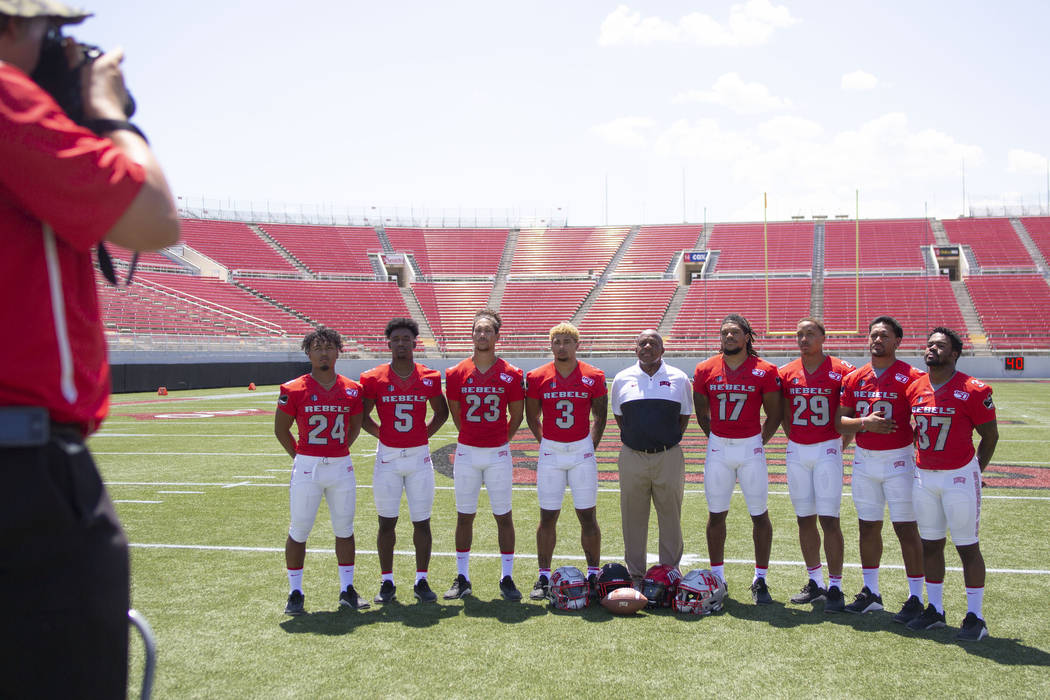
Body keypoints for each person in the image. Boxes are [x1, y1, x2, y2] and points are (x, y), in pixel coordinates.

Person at [0, 3, 179, 697]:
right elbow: (153, 219)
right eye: (53, 32)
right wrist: (109, 114)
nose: (66, 49)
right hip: (23, 471)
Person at [905, 327, 998, 641]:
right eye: (929, 343)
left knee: (967, 546)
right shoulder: (915, 386)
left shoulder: (972, 389)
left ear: (955, 354)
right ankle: (936, 609)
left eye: (940, 345)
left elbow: (990, 436)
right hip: (923, 476)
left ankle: (975, 616)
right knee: (930, 544)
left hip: (958, 474)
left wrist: (974, 470)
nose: (932, 348)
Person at [835, 316, 926, 622]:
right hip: (864, 459)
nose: (877, 340)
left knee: (905, 528)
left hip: (899, 459)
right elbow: (839, 422)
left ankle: (916, 596)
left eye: (884, 336)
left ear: (897, 341)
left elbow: (926, 417)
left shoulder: (913, 376)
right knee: (867, 525)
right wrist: (865, 423)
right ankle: (871, 591)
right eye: (873, 335)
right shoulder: (855, 377)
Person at [693, 314, 782, 604]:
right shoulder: (706, 368)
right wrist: (717, 438)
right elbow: (702, 411)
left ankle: (761, 578)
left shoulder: (765, 369)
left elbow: (775, 413)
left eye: (734, 332)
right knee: (716, 513)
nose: (728, 337)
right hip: (719, 448)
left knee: (759, 513)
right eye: (724, 333)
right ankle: (717, 576)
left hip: (750, 449)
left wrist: (757, 441)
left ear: (747, 337)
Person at [275, 327, 365, 615]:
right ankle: (295, 592)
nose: (324, 353)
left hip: (340, 465)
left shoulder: (352, 388)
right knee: (299, 530)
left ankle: (347, 589)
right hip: (308, 466)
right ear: (308, 353)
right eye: (317, 348)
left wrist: (334, 452)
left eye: (329, 347)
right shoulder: (294, 388)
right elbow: (281, 430)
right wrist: (301, 456)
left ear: (338, 351)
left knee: (345, 529)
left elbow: (354, 428)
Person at [360, 318, 449, 604]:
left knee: (421, 522)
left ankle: (421, 579)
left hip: (419, 457)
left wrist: (422, 435)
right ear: (389, 343)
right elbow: (363, 417)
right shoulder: (373, 377)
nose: (401, 343)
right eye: (395, 339)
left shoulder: (429, 376)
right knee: (386, 522)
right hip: (387, 457)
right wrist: (383, 436)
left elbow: (441, 413)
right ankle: (387, 582)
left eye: (405, 339)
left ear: (414, 343)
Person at [443, 309, 525, 600]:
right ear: (472, 334)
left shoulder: (511, 374)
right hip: (466, 452)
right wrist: (472, 437)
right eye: (478, 330)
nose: (482, 335)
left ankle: (507, 577)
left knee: (504, 515)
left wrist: (502, 438)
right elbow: (455, 411)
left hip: (497, 453)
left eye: (487, 330)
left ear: (496, 336)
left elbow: (516, 413)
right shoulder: (456, 373)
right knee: (464, 516)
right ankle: (462, 576)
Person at [524, 322, 608, 599]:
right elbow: (532, 417)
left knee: (587, 515)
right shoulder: (537, 376)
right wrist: (546, 443)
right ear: (551, 345)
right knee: (547, 516)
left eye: (566, 341)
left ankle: (594, 573)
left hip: (581, 451)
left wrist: (589, 446)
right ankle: (544, 576)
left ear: (577, 345)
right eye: (556, 341)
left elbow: (600, 416)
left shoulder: (593, 375)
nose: (561, 346)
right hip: (551, 452)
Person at [779, 318, 854, 612]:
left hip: (827, 448)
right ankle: (815, 582)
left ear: (824, 337)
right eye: (799, 334)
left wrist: (837, 444)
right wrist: (798, 440)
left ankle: (835, 586)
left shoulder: (842, 370)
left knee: (829, 520)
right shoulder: (787, 372)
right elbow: (785, 415)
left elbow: (849, 413)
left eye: (810, 333)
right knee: (804, 518)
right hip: (797, 450)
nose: (804, 338)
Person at [610, 330, 692, 584]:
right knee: (633, 517)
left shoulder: (679, 378)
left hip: (668, 456)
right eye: (642, 343)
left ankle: (669, 573)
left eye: (653, 343)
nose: (647, 346)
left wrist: (663, 439)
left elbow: (684, 417)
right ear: (635, 349)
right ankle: (636, 573)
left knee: (670, 517)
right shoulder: (622, 379)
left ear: (662, 349)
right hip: (633, 456)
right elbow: (620, 417)